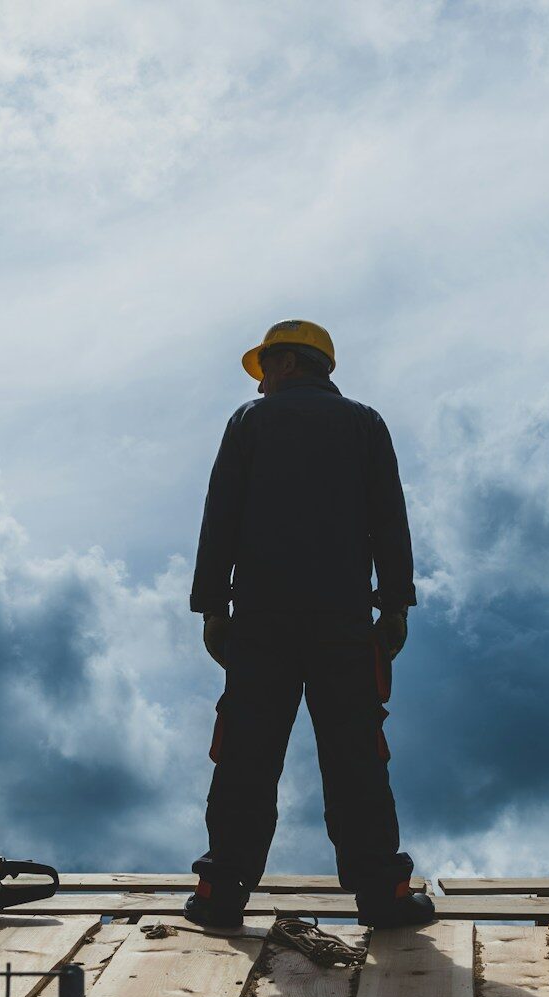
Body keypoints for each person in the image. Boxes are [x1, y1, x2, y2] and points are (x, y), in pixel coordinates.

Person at [184, 319, 436, 929]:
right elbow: (389, 521)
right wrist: (395, 604)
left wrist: (213, 606)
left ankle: (221, 895)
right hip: (343, 623)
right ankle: (384, 896)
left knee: (245, 757)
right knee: (356, 759)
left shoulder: (249, 422)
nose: (262, 382)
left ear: (290, 363)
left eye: (266, 368)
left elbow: (221, 515)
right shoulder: (365, 424)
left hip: (261, 624)